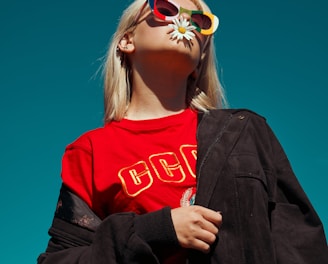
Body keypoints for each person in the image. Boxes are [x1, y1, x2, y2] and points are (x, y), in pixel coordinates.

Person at [38, 0, 328, 263]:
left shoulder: (243, 132)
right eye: (165, 8)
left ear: (201, 55)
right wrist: (156, 230)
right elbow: (61, 260)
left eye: (201, 21)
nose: (185, 22)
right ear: (127, 40)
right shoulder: (90, 150)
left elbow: (301, 244)